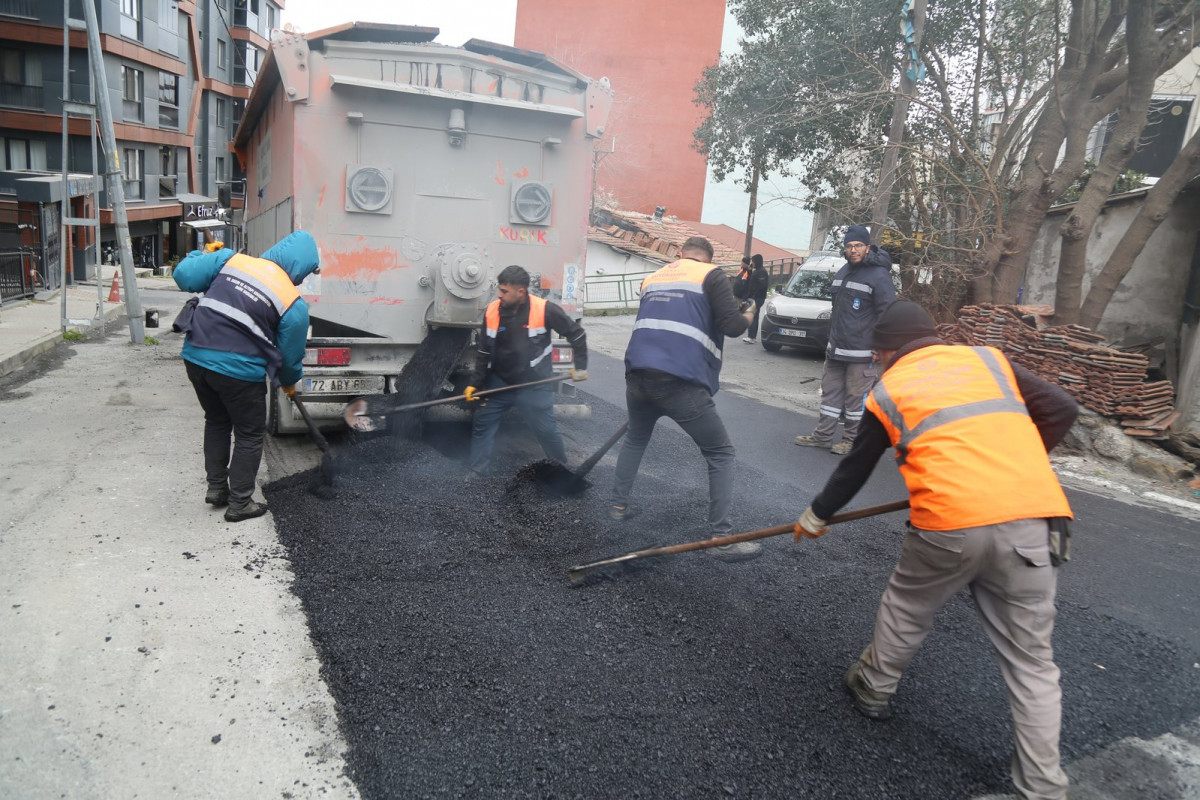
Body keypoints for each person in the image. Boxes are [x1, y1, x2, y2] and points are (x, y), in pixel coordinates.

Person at [795, 300, 1077, 800]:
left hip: (950, 522)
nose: (876, 360)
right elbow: (1061, 409)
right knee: (1032, 660)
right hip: (1033, 521)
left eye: (877, 353)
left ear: (887, 350)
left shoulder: (888, 390)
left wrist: (817, 514)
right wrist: (1014, 468)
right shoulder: (989, 360)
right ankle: (1043, 785)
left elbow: (856, 466)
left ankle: (874, 687)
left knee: (908, 606)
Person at [610, 236, 761, 561]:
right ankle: (722, 539)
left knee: (635, 439)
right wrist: (749, 314)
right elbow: (733, 326)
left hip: (638, 374)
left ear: (680, 254)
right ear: (709, 258)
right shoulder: (711, 275)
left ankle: (617, 508)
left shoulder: (653, 278)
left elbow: (679, 316)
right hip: (679, 382)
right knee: (720, 453)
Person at [173, 231, 321, 521]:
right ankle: (240, 502)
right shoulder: (293, 303)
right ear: (300, 267)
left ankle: (217, 488)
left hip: (196, 358)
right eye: (306, 273)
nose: (302, 279)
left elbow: (184, 275)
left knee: (216, 420)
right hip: (238, 371)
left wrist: (203, 255)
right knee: (249, 433)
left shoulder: (230, 260)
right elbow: (289, 358)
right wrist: (289, 382)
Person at [465, 264, 588, 476]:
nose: (499, 295)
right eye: (499, 289)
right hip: (500, 382)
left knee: (546, 430)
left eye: (504, 291)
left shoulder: (545, 309)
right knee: (483, 423)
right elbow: (484, 351)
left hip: (534, 384)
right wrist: (475, 384)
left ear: (521, 291)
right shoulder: (492, 311)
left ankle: (561, 473)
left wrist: (581, 367)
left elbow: (577, 334)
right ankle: (477, 472)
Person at [794, 224, 895, 454]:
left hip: (863, 352)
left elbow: (887, 314)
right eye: (849, 246)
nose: (853, 250)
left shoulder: (879, 275)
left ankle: (852, 441)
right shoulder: (843, 272)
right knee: (830, 395)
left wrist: (880, 347)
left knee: (855, 400)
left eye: (858, 245)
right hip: (837, 349)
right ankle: (822, 436)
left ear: (867, 247)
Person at [741, 253, 770, 344]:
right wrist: (749, 270)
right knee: (754, 315)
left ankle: (751, 336)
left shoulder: (761, 272)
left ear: (756, 262)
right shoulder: (757, 271)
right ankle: (752, 336)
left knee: (753, 315)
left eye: (753, 261)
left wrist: (753, 296)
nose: (751, 263)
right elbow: (751, 280)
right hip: (754, 297)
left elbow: (761, 286)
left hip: (757, 298)